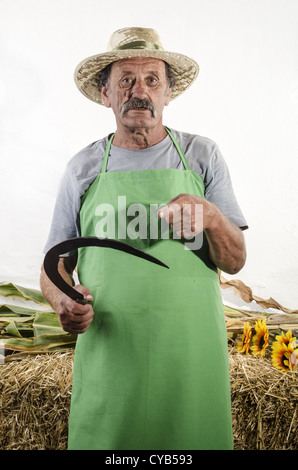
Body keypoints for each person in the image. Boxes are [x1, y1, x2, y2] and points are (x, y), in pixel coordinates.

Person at [40, 27, 248, 450]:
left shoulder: (201, 156)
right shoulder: (83, 167)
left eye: (152, 79)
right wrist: (63, 299)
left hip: (190, 356)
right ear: (106, 93)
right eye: (126, 80)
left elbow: (236, 261)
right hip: (111, 355)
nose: (140, 91)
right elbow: (54, 263)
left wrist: (210, 216)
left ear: (168, 92)